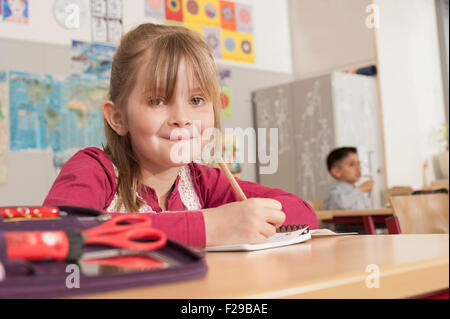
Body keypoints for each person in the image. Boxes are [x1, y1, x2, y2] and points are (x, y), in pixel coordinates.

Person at [43, 23, 317, 248]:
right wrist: (210, 226)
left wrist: (251, 218)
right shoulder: (94, 168)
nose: (182, 118)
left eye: (197, 100)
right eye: (157, 101)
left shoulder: (204, 181)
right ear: (119, 118)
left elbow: (304, 213)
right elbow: (61, 232)